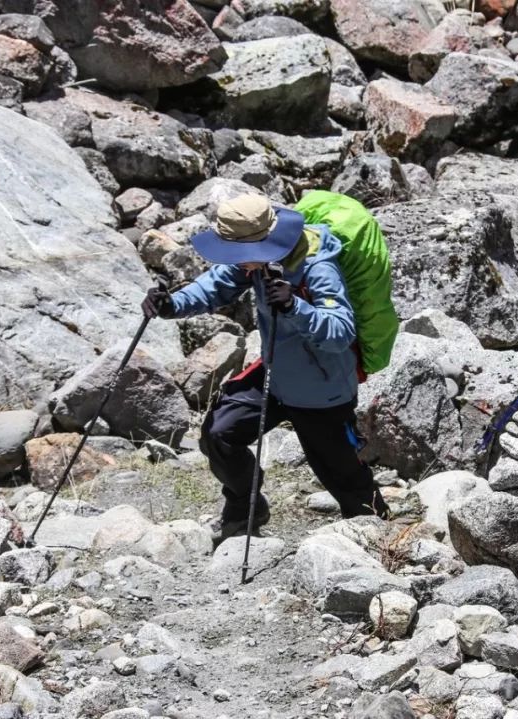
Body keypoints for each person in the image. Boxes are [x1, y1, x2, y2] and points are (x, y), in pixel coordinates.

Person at [141, 192, 389, 541]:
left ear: (264, 242)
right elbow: (216, 286)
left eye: (239, 255)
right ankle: (245, 507)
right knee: (220, 434)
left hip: (322, 390)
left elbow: (341, 331)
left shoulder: (319, 266)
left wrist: (295, 307)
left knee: (343, 477)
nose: (237, 263)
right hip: (276, 373)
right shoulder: (255, 260)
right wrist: (171, 305)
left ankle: (381, 538)